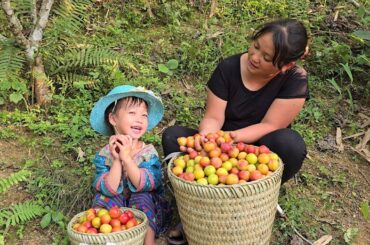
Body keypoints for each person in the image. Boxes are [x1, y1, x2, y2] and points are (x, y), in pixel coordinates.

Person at [162, 19, 309, 244]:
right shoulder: (229, 68)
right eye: (256, 46)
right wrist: (207, 137)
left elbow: (270, 125)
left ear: (285, 66)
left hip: (261, 150)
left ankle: (259, 198)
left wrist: (232, 138)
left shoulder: (295, 79)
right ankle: (200, 207)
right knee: (173, 137)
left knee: (291, 145)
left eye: (267, 58)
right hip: (220, 150)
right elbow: (213, 117)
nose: (255, 56)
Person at [90, 85, 171, 245]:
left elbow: (146, 184)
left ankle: (149, 242)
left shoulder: (148, 153)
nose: (139, 119)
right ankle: (108, 238)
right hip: (118, 207)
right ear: (113, 119)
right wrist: (117, 160)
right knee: (104, 198)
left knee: (143, 197)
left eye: (144, 115)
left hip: (147, 207)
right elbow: (108, 188)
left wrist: (127, 159)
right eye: (132, 113)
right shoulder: (104, 155)